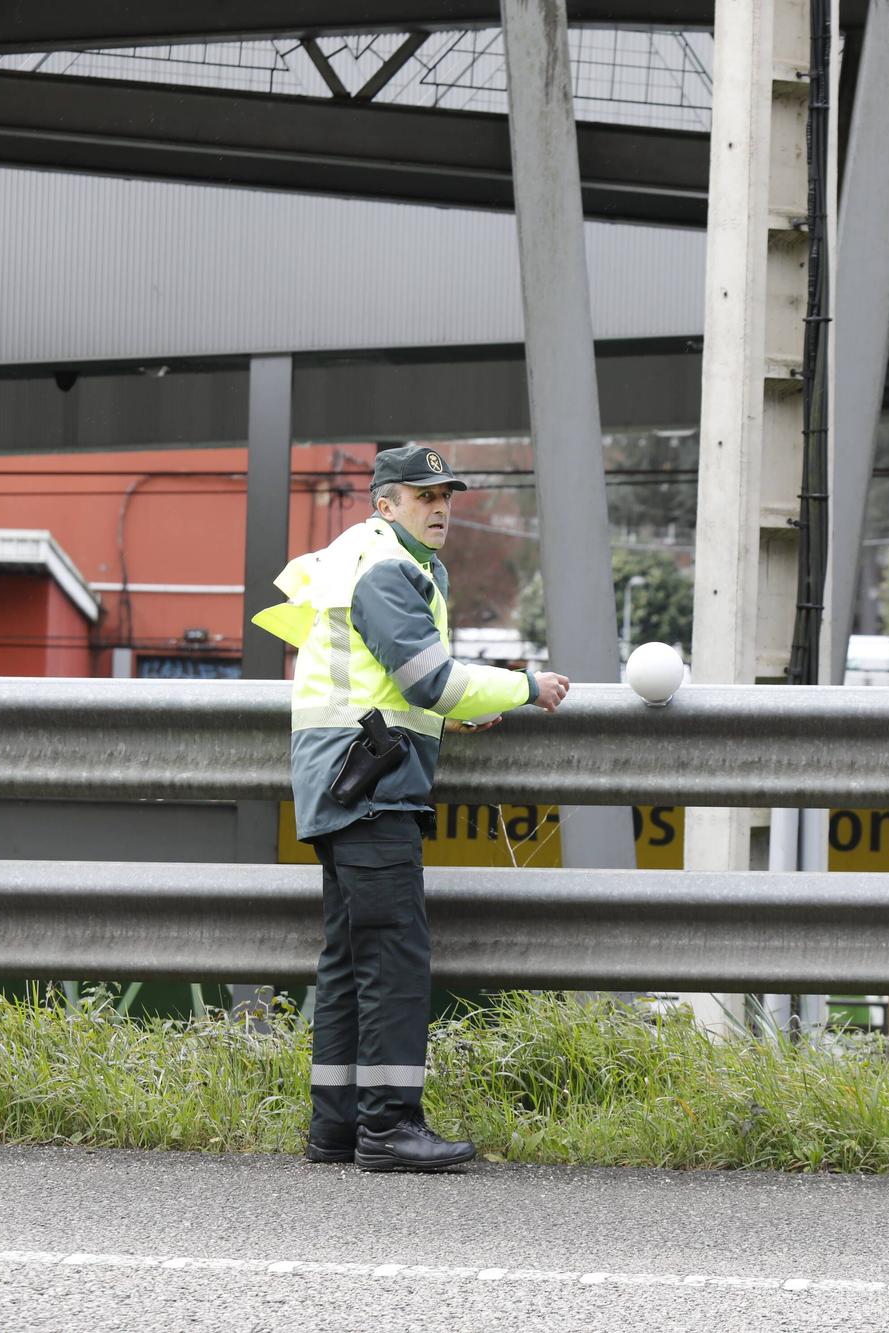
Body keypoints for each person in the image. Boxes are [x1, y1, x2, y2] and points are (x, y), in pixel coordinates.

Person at [253, 444, 571, 1172]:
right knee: (394, 956)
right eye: (422, 496)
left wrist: (456, 716)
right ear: (384, 503)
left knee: (349, 959)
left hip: (347, 779)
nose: (440, 509)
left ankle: (335, 1128)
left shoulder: (362, 556)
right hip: (371, 786)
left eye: (446, 496)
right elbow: (429, 680)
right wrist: (523, 688)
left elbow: (388, 684)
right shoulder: (389, 571)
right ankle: (390, 1125)